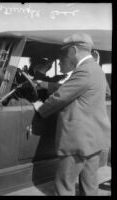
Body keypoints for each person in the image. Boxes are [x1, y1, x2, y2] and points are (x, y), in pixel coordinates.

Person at [33, 33, 111, 196]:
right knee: (89, 187)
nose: (65, 57)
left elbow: (60, 97)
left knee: (64, 186)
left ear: (73, 50)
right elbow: (73, 90)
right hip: (93, 140)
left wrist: (40, 107)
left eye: (66, 52)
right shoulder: (95, 69)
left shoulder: (84, 71)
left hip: (78, 141)